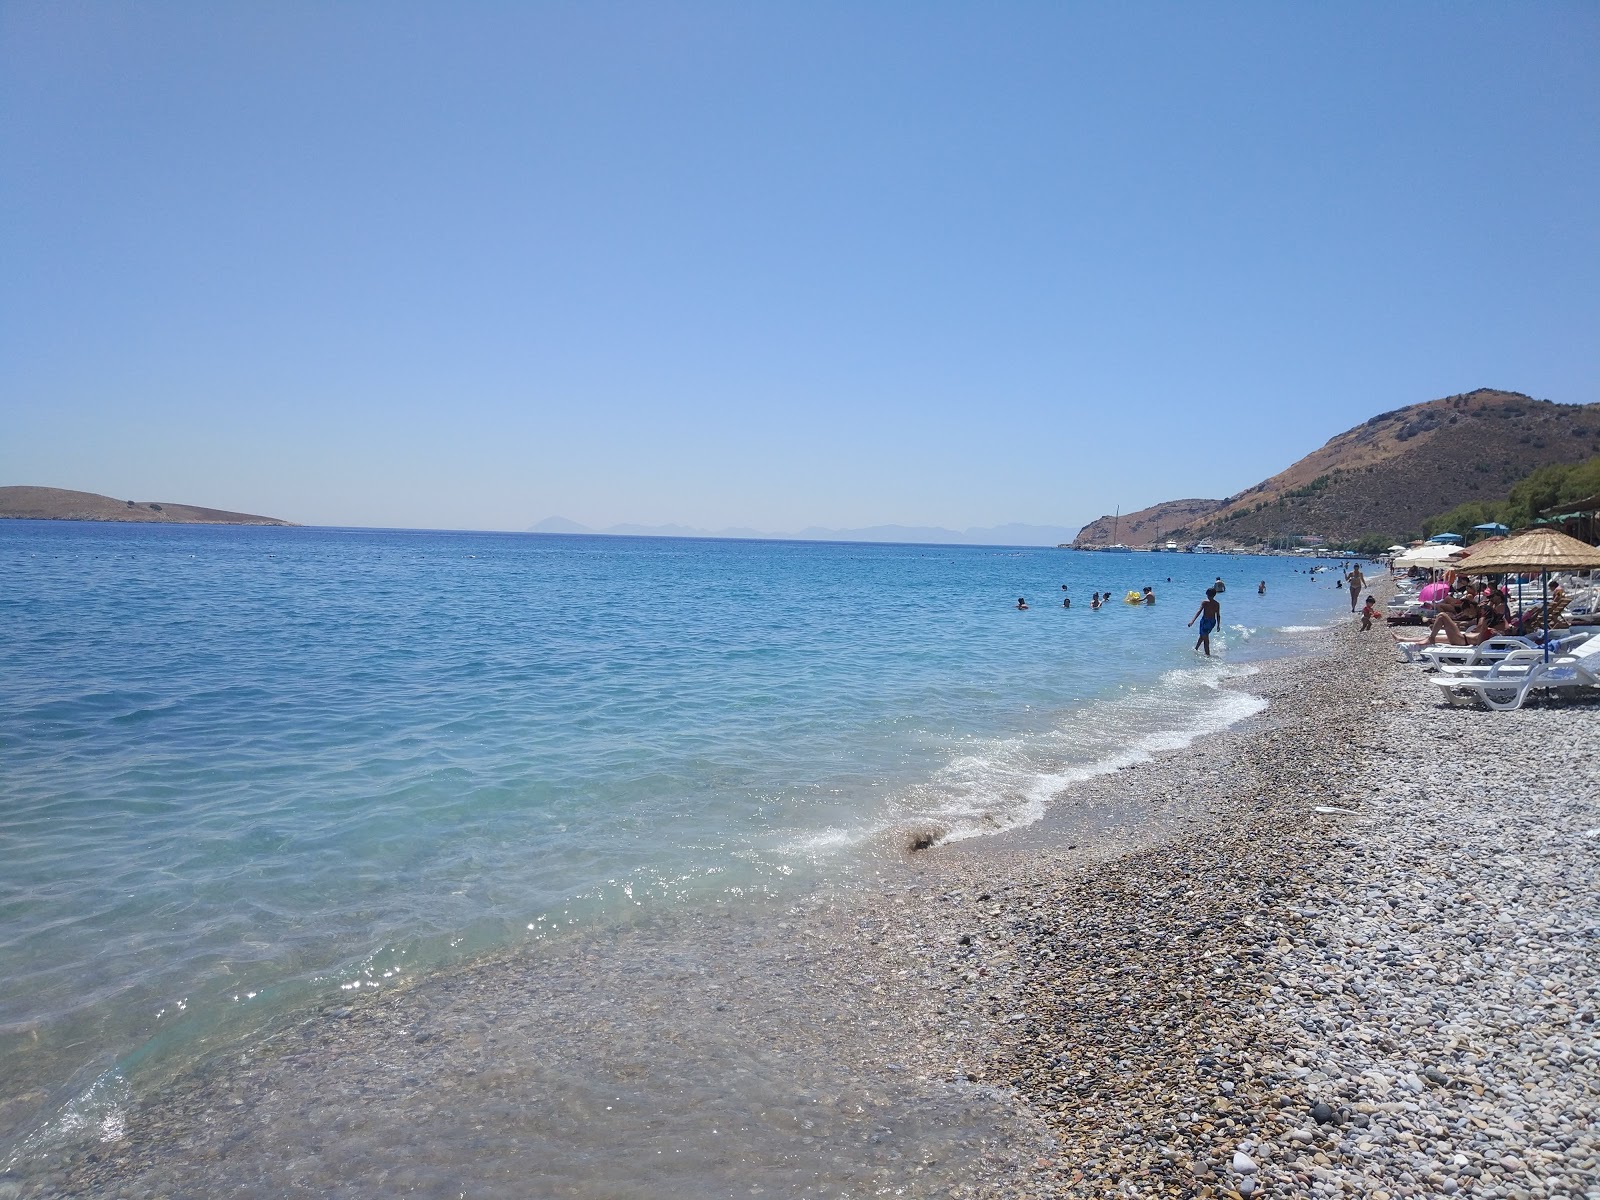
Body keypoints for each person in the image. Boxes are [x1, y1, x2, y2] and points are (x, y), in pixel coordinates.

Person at [1188, 588, 1221, 656]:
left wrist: (1192, 621)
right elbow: (1218, 615)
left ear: (1207, 594)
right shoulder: (1217, 604)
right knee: (1203, 636)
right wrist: (1218, 625)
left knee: (1205, 638)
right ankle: (1196, 649)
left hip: (1205, 621)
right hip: (1212, 622)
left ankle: (1207, 654)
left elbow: (1199, 611)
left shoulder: (1205, 602)